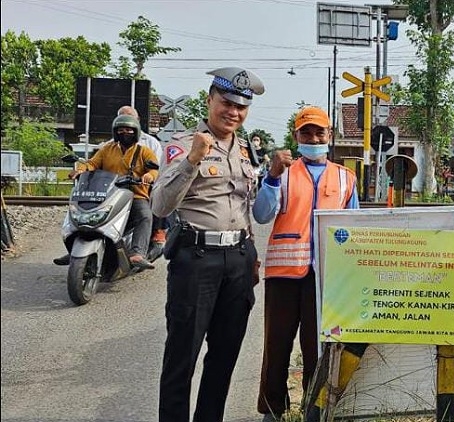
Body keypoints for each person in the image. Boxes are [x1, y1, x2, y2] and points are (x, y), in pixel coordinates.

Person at [151, 66, 265, 422]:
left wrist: (252, 255)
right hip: (196, 259)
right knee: (181, 356)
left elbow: (245, 206)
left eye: (241, 107)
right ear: (210, 100)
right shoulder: (183, 145)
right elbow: (160, 205)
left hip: (238, 260)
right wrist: (192, 160)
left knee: (224, 354)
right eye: (226, 102)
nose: (233, 112)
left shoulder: (246, 151)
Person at [253, 105, 359, 421]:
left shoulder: (345, 178)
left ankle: (314, 408)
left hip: (326, 277)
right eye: (306, 132)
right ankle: (271, 410)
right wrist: (272, 177)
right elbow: (261, 214)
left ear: (330, 136)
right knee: (276, 347)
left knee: (318, 350)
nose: (313, 137)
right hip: (284, 275)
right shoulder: (281, 173)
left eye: (319, 132)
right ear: (296, 136)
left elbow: (355, 230)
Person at [54, 114, 158, 270]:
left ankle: (138, 253)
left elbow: (154, 169)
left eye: (129, 130)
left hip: (135, 194)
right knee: (82, 214)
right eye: (121, 130)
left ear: (135, 132)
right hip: (108, 193)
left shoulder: (144, 151)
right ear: (115, 133)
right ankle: (74, 250)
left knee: (145, 216)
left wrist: (148, 176)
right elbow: (92, 164)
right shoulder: (107, 149)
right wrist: (80, 170)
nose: (125, 133)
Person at [116, 105, 168, 257]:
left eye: (130, 118)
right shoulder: (109, 145)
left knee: (157, 193)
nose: (126, 128)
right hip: (113, 189)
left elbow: (157, 168)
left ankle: (157, 232)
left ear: (137, 121)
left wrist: (149, 176)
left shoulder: (150, 144)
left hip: (140, 189)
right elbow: (94, 163)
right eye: (122, 119)